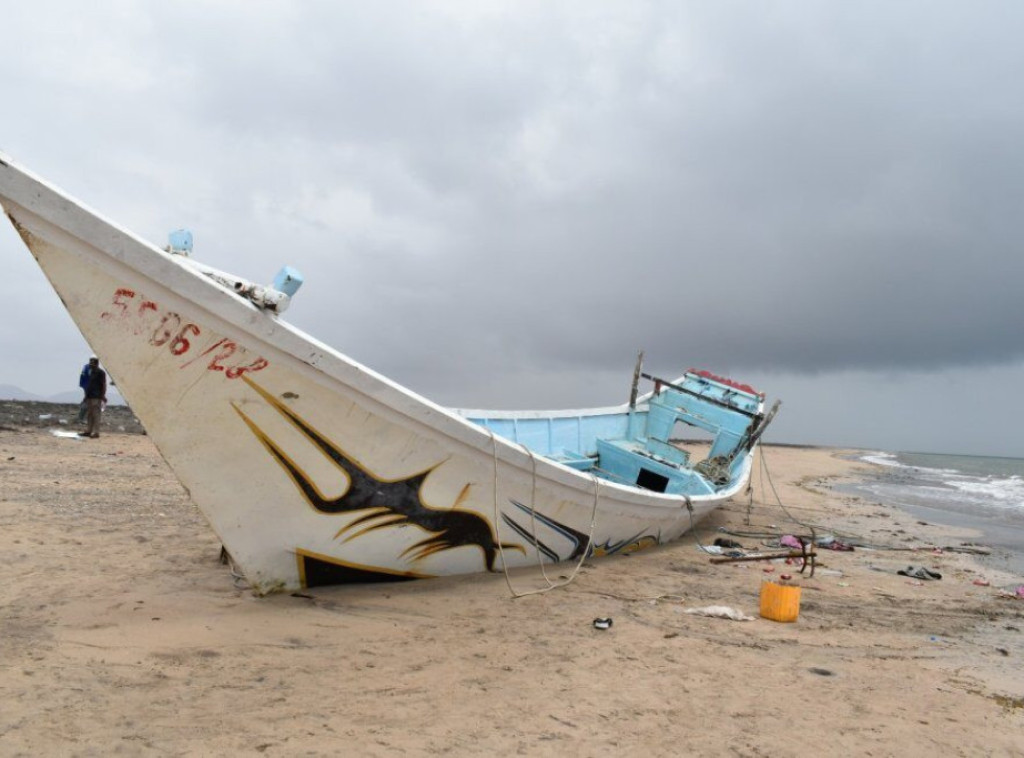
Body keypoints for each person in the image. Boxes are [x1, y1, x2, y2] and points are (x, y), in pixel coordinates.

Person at [79, 357, 106, 439]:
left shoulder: (101, 373)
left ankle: (96, 432)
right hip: (89, 396)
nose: (91, 365)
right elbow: (89, 385)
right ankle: (89, 430)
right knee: (90, 414)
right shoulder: (91, 372)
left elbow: (103, 385)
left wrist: (102, 396)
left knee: (96, 414)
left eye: (93, 364)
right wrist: (86, 396)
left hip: (96, 396)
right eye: (90, 363)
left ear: (97, 364)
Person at [77, 357, 94, 424]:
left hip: (89, 386)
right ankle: (81, 418)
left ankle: (82, 418)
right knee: (87, 400)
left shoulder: (87, 367)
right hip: (88, 386)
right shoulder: (87, 368)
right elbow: (85, 376)